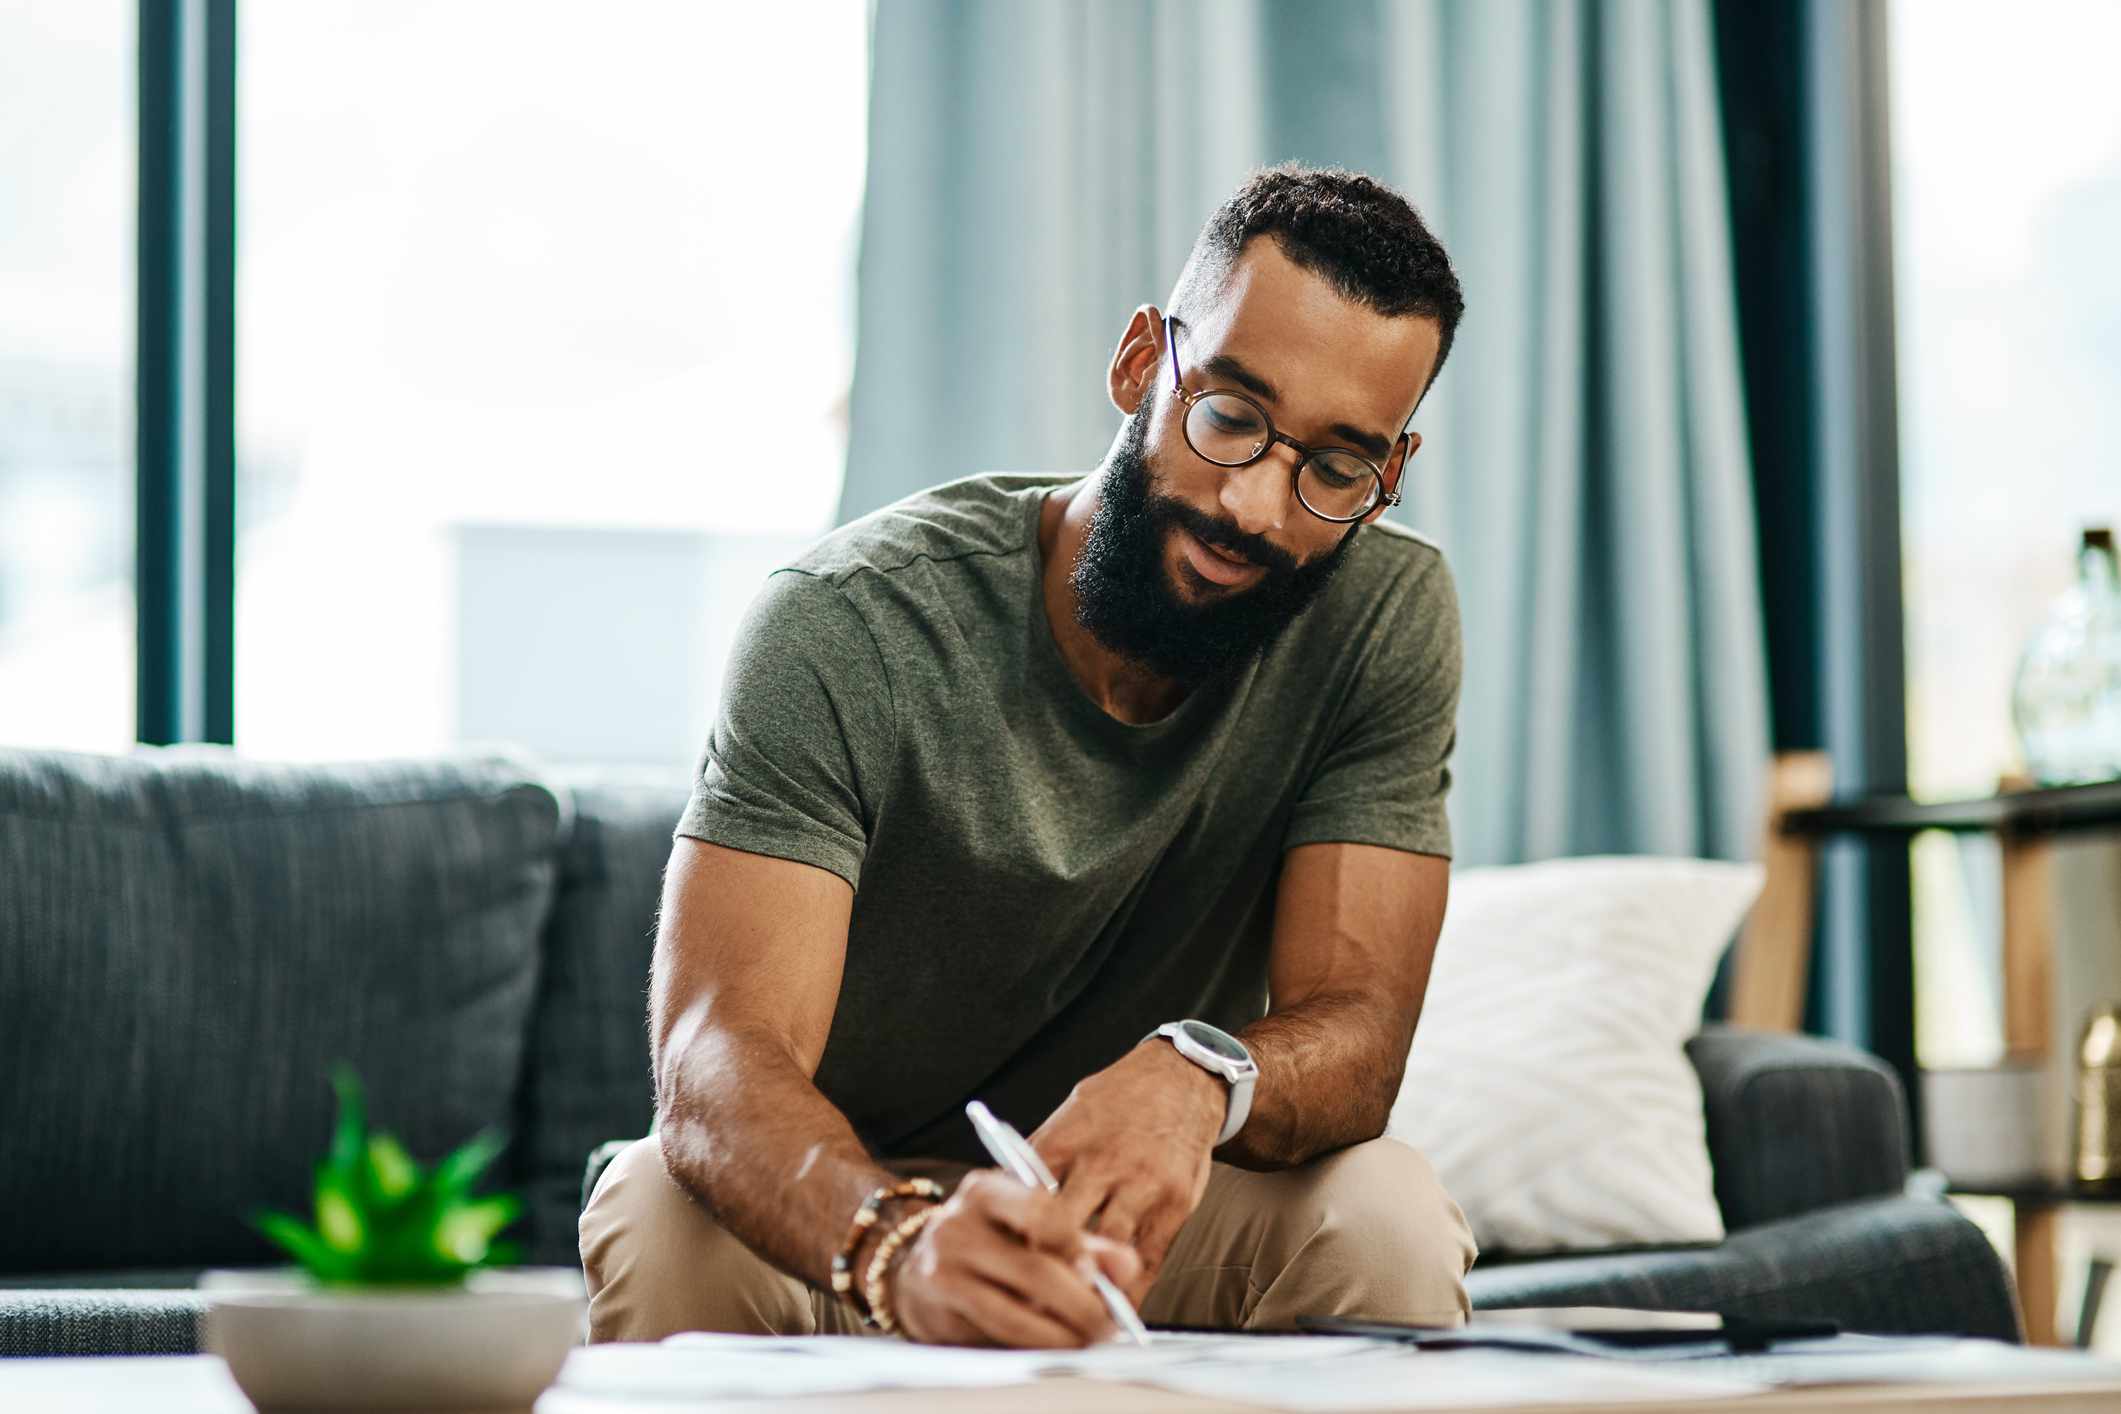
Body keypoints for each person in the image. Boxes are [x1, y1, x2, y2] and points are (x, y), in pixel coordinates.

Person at [581, 163, 1475, 1348]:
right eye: (1230, 416)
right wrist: (895, 1245)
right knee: (658, 1204)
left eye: (1334, 467)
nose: (1258, 507)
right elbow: (714, 1058)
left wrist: (1199, 1073)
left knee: (1386, 1212)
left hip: (1122, 1223)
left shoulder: (1381, 616)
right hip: (846, 1206)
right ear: (1140, 363)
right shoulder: (848, 621)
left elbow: (1357, 1035)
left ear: (1390, 474)